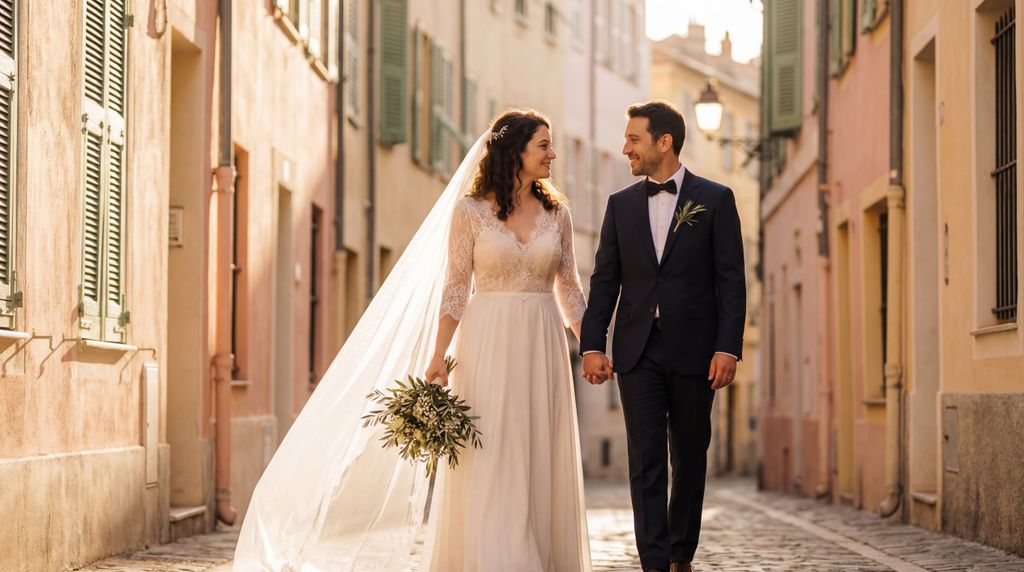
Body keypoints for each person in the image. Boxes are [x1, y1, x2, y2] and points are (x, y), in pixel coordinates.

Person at [233, 110, 592, 572]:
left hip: (542, 344)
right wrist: (438, 355)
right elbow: (457, 287)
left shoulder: (558, 213)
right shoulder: (470, 211)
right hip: (486, 343)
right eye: (544, 145)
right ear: (514, 150)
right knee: (493, 452)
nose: (552, 155)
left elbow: (570, 287)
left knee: (537, 451)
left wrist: (593, 346)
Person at [580, 100, 746, 572]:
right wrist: (593, 345)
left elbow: (730, 280)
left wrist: (727, 347)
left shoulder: (715, 200)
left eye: (634, 139)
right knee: (645, 459)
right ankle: (655, 561)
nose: (625, 147)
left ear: (664, 142)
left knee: (690, 457)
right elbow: (604, 281)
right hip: (637, 352)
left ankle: (680, 554)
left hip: (697, 352)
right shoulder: (620, 206)